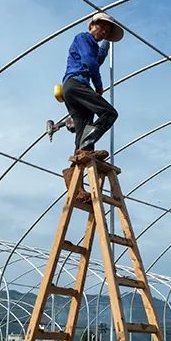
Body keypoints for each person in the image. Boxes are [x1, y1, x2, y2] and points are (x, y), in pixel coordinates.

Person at [61, 12, 124, 202]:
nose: (103, 31)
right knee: (109, 113)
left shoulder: (92, 45)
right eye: (102, 27)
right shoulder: (83, 37)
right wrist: (98, 85)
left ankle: (76, 186)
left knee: (83, 135)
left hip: (73, 90)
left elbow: (97, 59)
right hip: (76, 84)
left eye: (107, 30)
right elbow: (90, 61)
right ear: (92, 24)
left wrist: (108, 42)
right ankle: (86, 148)